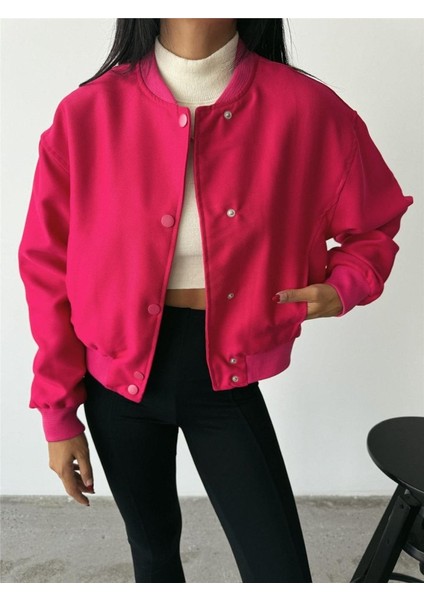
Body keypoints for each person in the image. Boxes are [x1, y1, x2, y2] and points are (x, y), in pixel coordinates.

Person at [18, 18, 413, 583]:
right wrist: (58, 415)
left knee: (279, 573)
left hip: (225, 378)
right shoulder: (87, 114)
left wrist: (344, 285)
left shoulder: (306, 108)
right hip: (115, 384)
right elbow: (46, 267)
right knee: (153, 554)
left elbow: (375, 225)